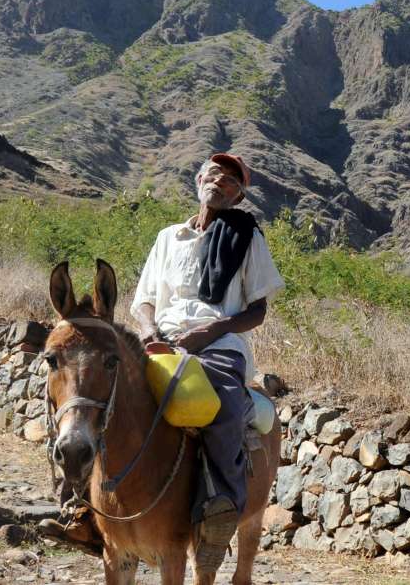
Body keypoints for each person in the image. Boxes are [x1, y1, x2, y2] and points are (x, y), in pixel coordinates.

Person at [38, 152, 284, 556]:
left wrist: (213, 329)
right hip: (162, 340)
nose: (219, 184)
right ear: (199, 178)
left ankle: (217, 509)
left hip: (220, 346)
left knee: (219, 403)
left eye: (231, 182)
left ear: (238, 196)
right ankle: (82, 509)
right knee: (101, 397)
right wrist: (151, 332)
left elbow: (257, 310)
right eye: (215, 175)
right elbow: (146, 299)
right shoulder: (168, 237)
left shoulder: (248, 239)